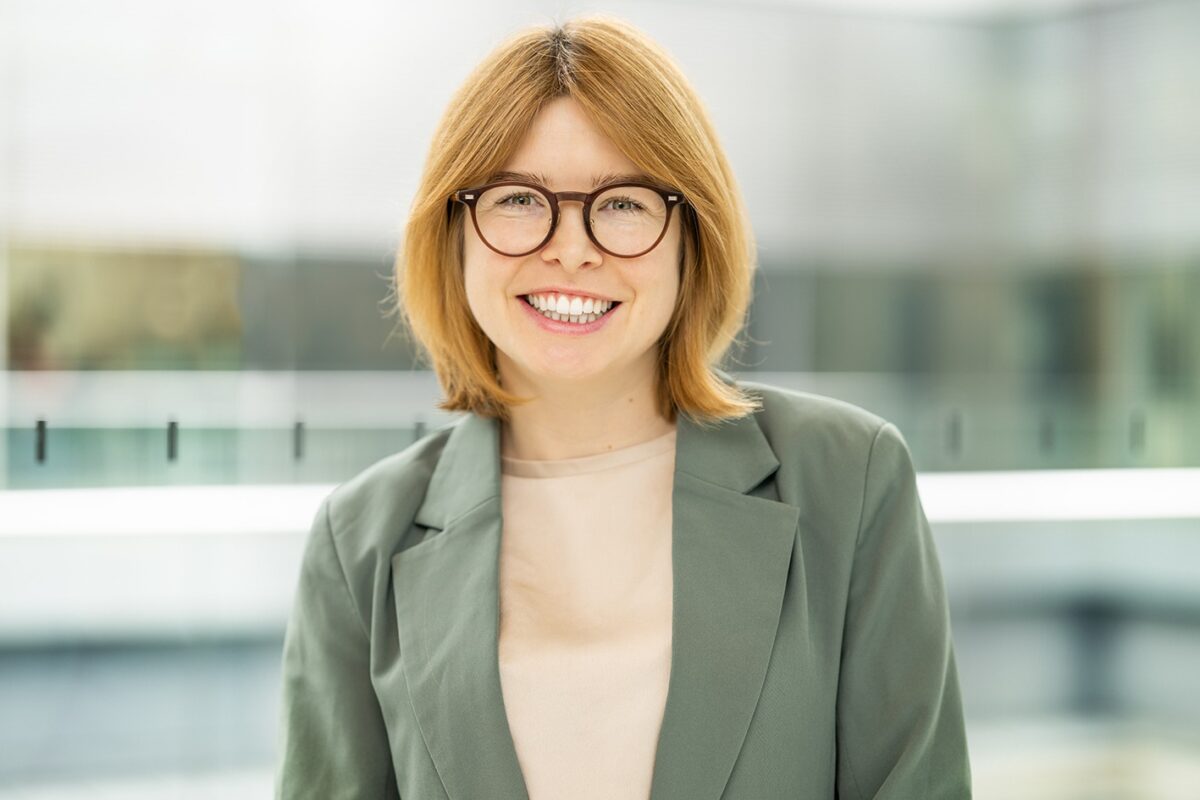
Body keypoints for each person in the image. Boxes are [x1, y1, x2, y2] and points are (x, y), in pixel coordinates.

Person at [275, 14, 972, 800]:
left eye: (624, 204)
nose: (571, 248)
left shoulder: (849, 482)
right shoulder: (357, 543)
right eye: (516, 199)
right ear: (454, 234)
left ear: (690, 236)